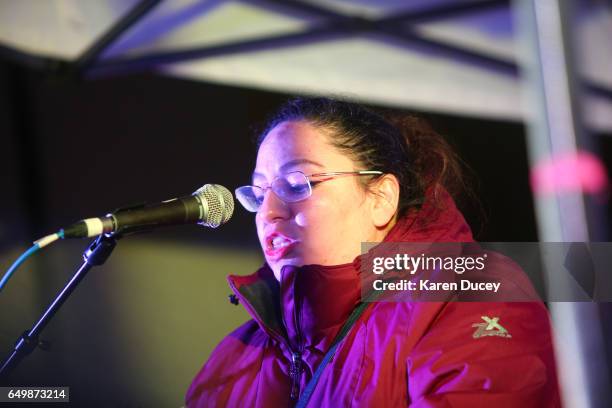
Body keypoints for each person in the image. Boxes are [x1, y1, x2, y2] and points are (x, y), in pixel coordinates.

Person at [186, 97, 561, 407]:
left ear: (381, 198)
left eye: (297, 184)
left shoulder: (469, 293)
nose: (269, 212)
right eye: (260, 192)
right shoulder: (235, 359)